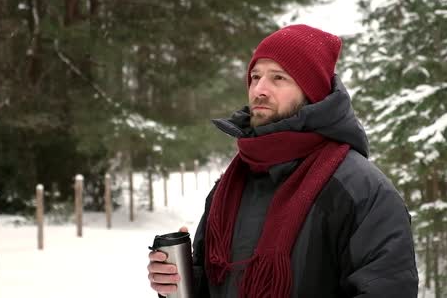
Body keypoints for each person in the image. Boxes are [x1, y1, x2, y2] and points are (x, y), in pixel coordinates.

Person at [147, 24, 418, 297]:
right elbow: (216, 284)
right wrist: (179, 282)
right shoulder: (230, 185)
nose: (259, 90)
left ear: (312, 93)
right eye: (255, 77)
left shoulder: (361, 191)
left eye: (278, 78)